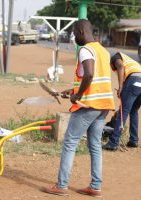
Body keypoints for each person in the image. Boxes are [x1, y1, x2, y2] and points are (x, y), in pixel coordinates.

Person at [43, 19, 115, 197]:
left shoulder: (85, 50)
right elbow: (93, 79)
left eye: (75, 34)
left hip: (88, 105)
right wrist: (73, 91)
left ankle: (61, 185)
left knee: (70, 143)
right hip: (103, 104)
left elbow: (89, 74)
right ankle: (96, 186)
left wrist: (78, 95)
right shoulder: (103, 51)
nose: (74, 38)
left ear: (82, 31)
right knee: (95, 145)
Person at [102, 53, 141, 151]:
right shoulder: (130, 62)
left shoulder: (115, 57)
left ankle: (113, 142)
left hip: (134, 79)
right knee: (134, 110)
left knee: (123, 112)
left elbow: (120, 66)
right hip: (138, 80)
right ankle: (134, 140)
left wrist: (120, 87)